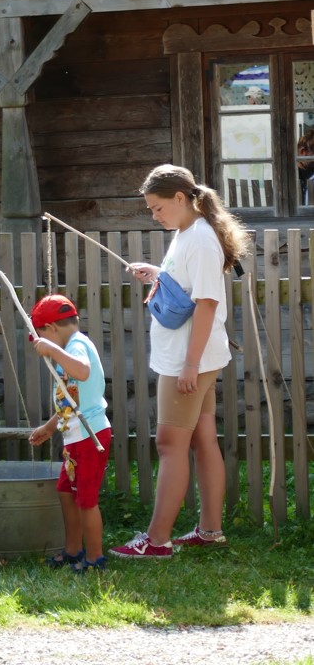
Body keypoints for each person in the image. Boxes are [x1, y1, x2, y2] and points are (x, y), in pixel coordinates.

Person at [110, 164, 250, 560]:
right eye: (150, 210)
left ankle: (156, 541)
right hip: (193, 357)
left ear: (179, 198)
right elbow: (189, 288)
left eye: (157, 208)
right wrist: (157, 273)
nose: (155, 216)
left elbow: (207, 304)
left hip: (189, 361)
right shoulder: (186, 234)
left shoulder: (201, 239)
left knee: (169, 443)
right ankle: (209, 530)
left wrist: (190, 365)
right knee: (203, 439)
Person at [26, 295, 112, 572]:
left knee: (86, 499)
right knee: (65, 491)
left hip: (91, 436)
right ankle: (73, 550)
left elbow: (83, 372)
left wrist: (52, 349)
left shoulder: (77, 345)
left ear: (51, 328)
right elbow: (71, 397)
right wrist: (50, 427)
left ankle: (95, 558)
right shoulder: (68, 349)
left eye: (41, 334)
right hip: (74, 436)